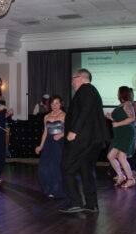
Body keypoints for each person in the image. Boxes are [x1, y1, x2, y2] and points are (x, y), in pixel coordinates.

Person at [59, 69, 110, 213]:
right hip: (92, 140)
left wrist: (74, 131)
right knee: (86, 170)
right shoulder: (92, 91)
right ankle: (91, 204)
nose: (72, 83)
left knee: (66, 167)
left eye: (73, 79)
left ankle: (75, 202)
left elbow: (85, 111)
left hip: (83, 138)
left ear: (80, 78)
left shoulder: (86, 89)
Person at [35, 95, 66, 199]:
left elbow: (70, 131)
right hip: (48, 143)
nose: (55, 105)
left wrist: (61, 135)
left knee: (55, 168)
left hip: (59, 144)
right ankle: (48, 188)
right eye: (52, 103)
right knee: (42, 168)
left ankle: (57, 190)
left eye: (57, 103)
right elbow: (45, 133)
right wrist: (40, 146)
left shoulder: (65, 115)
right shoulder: (46, 116)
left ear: (61, 104)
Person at [106, 86, 136, 188]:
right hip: (119, 134)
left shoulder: (128, 104)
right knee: (111, 156)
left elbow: (131, 118)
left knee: (121, 157)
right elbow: (120, 119)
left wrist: (117, 123)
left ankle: (131, 179)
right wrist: (112, 118)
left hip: (126, 133)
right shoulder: (121, 105)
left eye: (118, 92)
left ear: (122, 93)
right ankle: (121, 176)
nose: (117, 93)